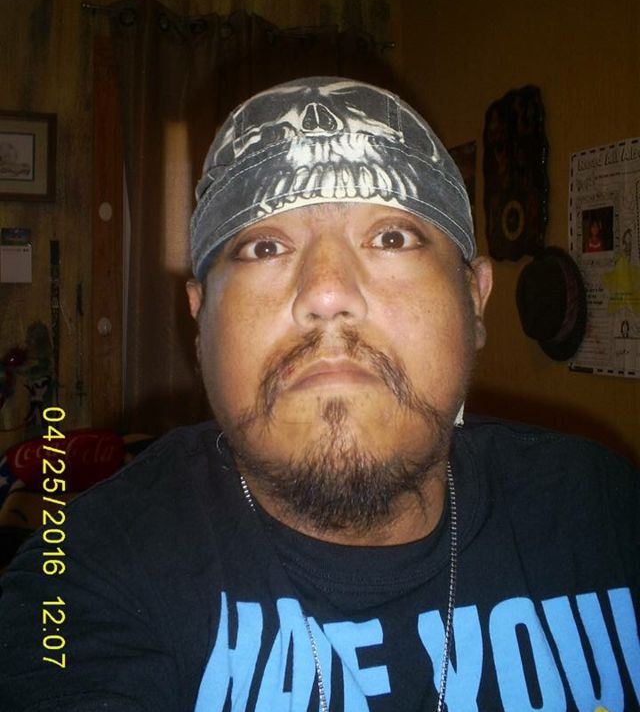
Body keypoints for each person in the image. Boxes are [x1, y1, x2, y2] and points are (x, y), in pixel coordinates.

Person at [0, 77, 638, 711]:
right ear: (200, 319)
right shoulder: (77, 578)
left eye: (392, 237)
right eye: (264, 246)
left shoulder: (607, 513)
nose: (327, 293)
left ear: (474, 299)